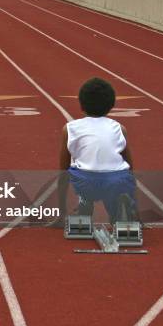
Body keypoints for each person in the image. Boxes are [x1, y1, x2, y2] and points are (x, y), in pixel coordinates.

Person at [59, 78, 138, 224]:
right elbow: (130, 167)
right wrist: (135, 205)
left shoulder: (70, 128)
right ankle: (121, 208)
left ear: (81, 105)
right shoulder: (120, 128)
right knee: (121, 179)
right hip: (116, 182)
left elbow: (63, 171)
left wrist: (61, 212)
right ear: (111, 105)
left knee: (72, 173)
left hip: (85, 182)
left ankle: (83, 202)